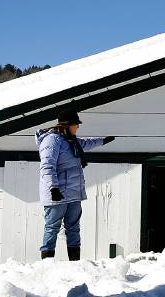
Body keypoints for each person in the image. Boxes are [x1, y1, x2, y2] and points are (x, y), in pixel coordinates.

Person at [35, 109, 114, 260]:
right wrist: (53, 188)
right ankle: (46, 264)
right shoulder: (52, 141)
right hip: (56, 194)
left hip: (72, 194)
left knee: (74, 228)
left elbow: (86, 143)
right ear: (67, 125)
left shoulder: (70, 140)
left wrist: (103, 140)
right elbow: (47, 166)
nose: (78, 127)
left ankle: (75, 264)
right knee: (52, 228)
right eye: (76, 124)